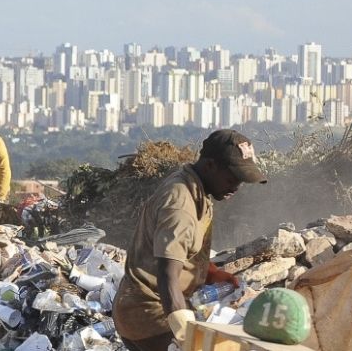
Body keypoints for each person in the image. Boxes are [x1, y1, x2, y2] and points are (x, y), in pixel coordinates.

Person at [112, 129, 268, 351]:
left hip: (148, 311)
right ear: (210, 165)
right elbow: (167, 275)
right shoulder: (181, 204)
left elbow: (183, 251)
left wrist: (211, 273)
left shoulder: (196, 189)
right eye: (232, 178)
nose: (236, 187)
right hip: (150, 317)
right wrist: (186, 336)